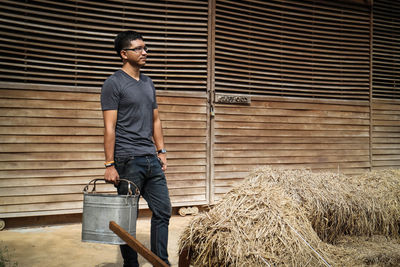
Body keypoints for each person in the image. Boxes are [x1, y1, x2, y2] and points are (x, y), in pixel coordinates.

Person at [101, 30, 171, 267]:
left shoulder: (149, 83)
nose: (144, 52)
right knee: (127, 219)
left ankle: (161, 261)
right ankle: (130, 265)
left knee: (163, 211)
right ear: (123, 54)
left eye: (145, 47)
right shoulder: (113, 84)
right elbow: (109, 127)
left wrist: (161, 151)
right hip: (128, 160)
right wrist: (109, 164)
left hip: (151, 158)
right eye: (138, 48)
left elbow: (156, 120)